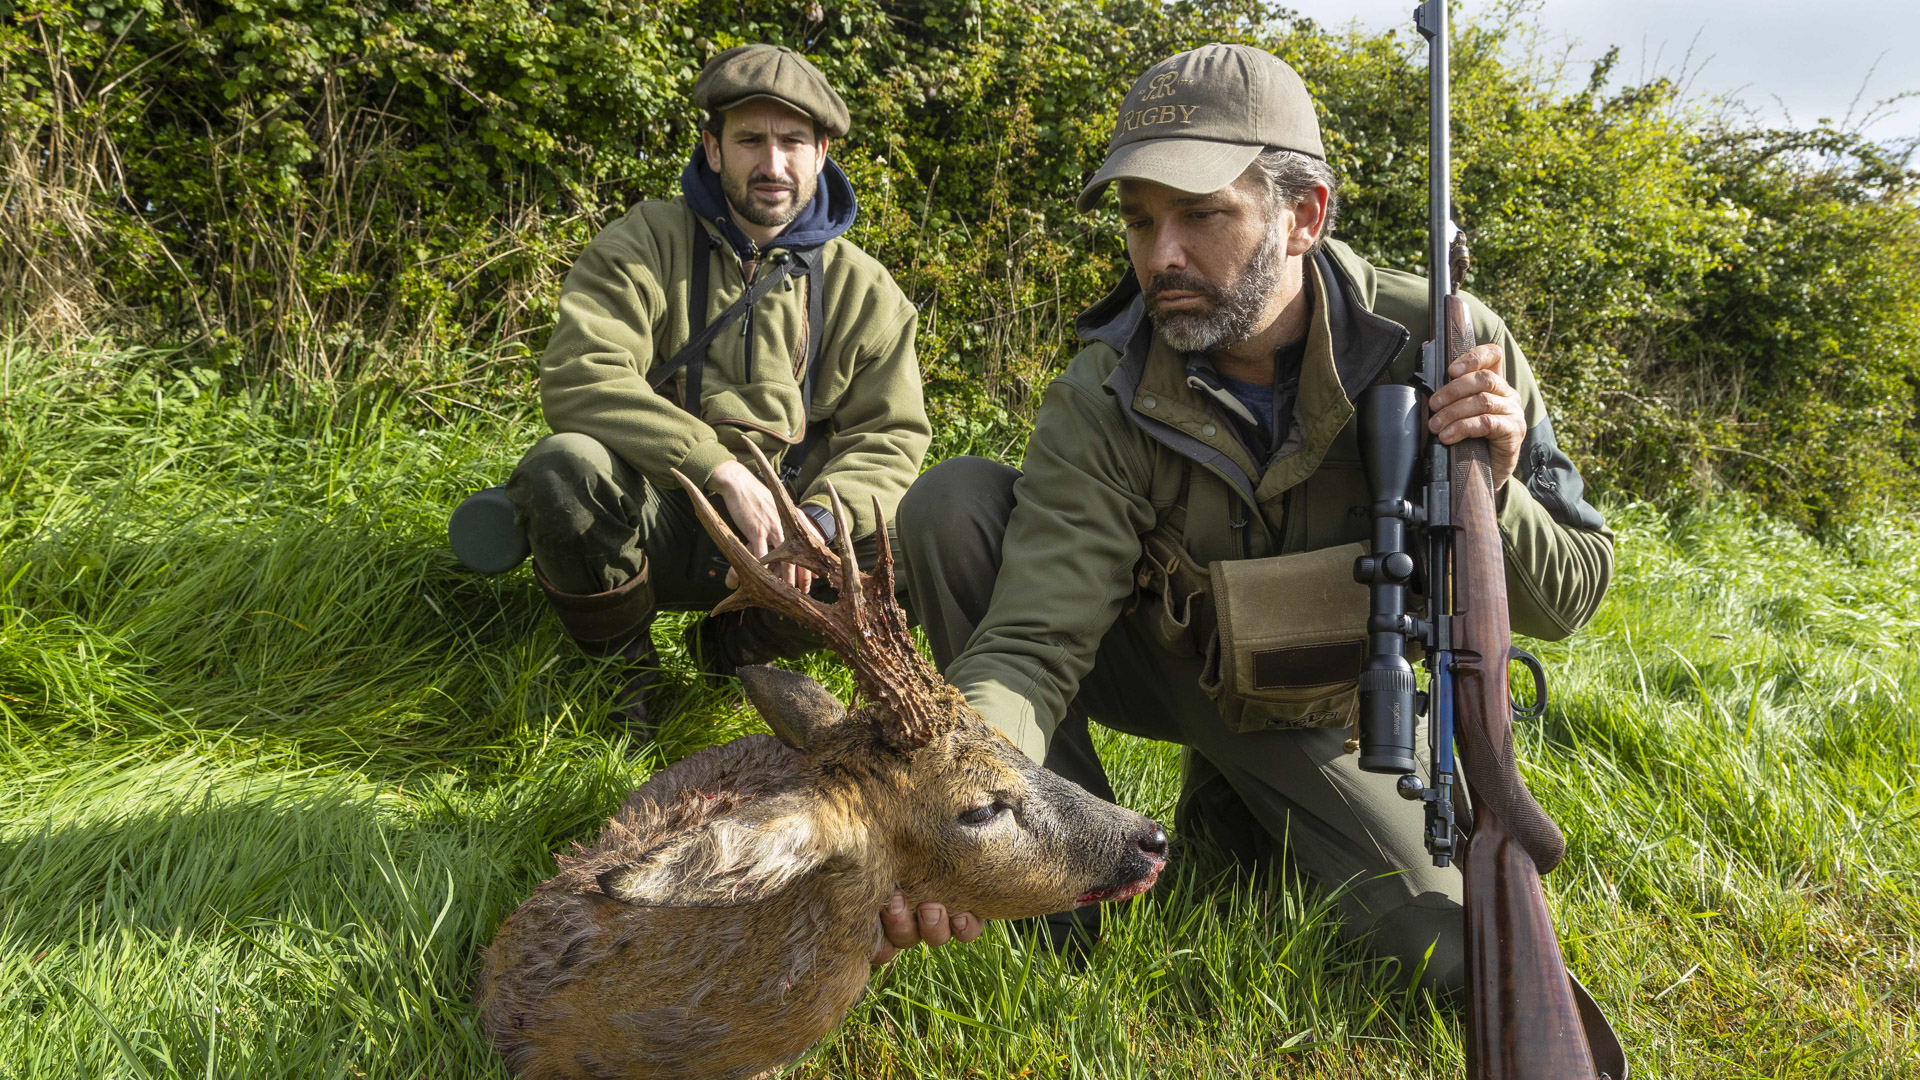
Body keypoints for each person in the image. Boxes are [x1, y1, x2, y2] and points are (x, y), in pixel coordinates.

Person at [889, 43, 1613, 990]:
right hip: (1166, 662)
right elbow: (1030, 646)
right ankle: (1058, 903)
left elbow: (1573, 596)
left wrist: (1494, 483)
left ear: (1303, 215)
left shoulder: (1445, 340)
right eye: (1140, 222)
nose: (1163, 257)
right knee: (955, 505)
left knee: (1460, 961)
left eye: (1202, 215)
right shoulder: (1105, 385)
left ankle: (1234, 811)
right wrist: (955, 809)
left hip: (1335, 711)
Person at [503, 44, 930, 735]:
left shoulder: (865, 287)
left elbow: (892, 436)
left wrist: (815, 524)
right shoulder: (644, 241)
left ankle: (737, 657)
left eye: (792, 142)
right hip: (662, 512)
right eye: (750, 141)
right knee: (564, 469)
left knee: (915, 534)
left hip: (787, 541)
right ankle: (624, 683)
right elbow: (580, 374)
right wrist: (719, 470)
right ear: (711, 147)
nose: (772, 164)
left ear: (822, 153)